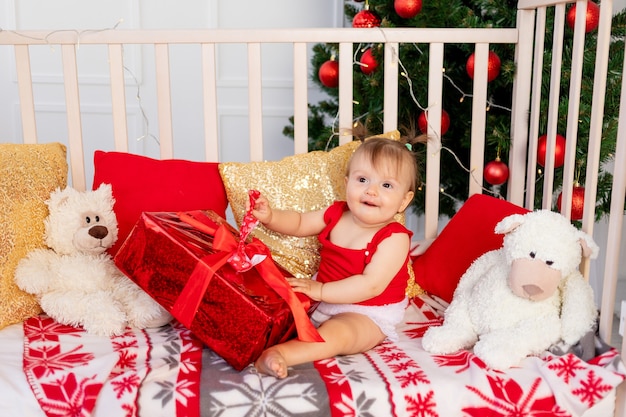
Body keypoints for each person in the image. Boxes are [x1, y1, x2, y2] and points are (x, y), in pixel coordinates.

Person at [248, 134, 426, 379]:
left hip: (368, 311)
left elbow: (370, 285)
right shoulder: (337, 213)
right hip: (321, 296)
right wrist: (271, 217)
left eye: (386, 185)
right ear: (347, 183)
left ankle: (280, 355)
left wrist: (320, 291)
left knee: (340, 335)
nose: (371, 191)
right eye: (362, 179)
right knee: (275, 304)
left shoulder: (394, 237)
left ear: (404, 201)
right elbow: (300, 223)